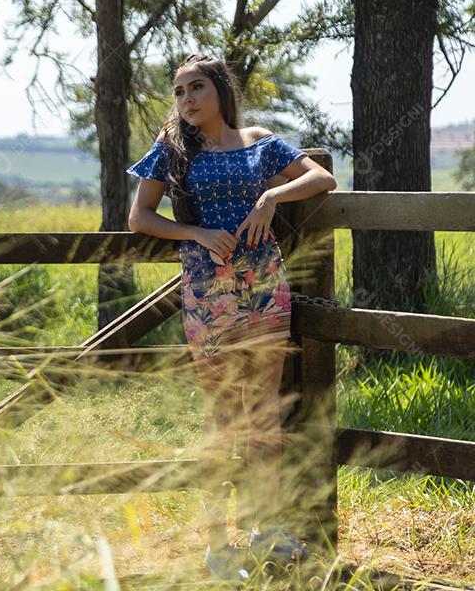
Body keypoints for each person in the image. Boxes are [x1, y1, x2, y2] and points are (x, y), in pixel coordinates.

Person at [125, 53, 338, 582]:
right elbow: (139, 217)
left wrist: (271, 196)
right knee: (222, 421)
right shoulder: (172, 149)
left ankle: (268, 530)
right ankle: (216, 545)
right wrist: (194, 232)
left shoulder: (259, 142)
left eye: (196, 87)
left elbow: (321, 179)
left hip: (265, 291)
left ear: (220, 90)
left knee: (263, 416)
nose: (187, 99)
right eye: (179, 91)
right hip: (208, 296)